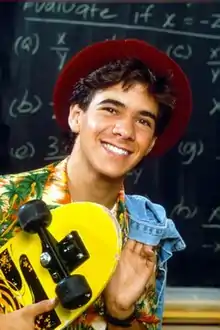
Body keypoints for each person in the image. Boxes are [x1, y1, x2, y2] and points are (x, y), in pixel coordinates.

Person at [0, 39, 192, 330]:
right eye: (111, 110)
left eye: (143, 121)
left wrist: (120, 314)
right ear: (76, 116)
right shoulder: (5, 198)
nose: (125, 130)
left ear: (150, 143)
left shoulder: (146, 232)